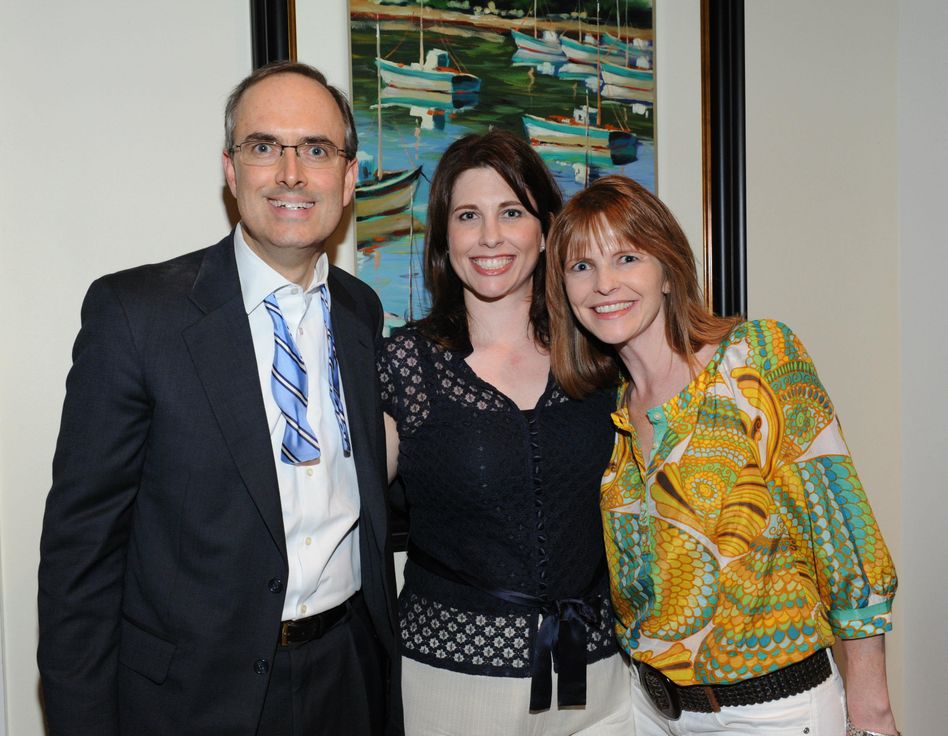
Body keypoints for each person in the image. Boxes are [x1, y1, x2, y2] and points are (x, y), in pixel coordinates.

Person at [38, 62, 401, 736]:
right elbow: (78, 559)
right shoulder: (135, 316)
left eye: (316, 150)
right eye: (264, 147)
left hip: (348, 678)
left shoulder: (361, 312)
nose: (291, 173)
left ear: (348, 179)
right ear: (232, 173)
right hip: (195, 699)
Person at [545, 175, 899, 736]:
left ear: (667, 271)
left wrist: (872, 713)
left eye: (627, 257)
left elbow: (846, 542)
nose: (604, 283)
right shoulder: (607, 410)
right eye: (581, 267)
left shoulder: (753, 357)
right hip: (650, 710)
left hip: (774, 714)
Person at [379, 131, 634, 735]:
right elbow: (340, 503)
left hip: (598, 686)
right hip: (453, 685)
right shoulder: (405, 365)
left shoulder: (602, 359)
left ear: (546, 230)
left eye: (511, 212)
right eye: (469, 215)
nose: (490, 236)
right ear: (445, 237)